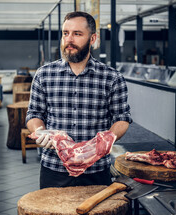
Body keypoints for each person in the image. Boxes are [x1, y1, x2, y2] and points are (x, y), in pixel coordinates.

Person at [26, 11, 132, 189]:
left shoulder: (112, 77)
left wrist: (102, 143)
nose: (69, 39)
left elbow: (122, 118)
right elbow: (34, 114)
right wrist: (40, 131)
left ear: (92, 39)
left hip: (96, 169)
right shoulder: (44, 74)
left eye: (77, 34)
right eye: (66, 33)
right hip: (54, 168)